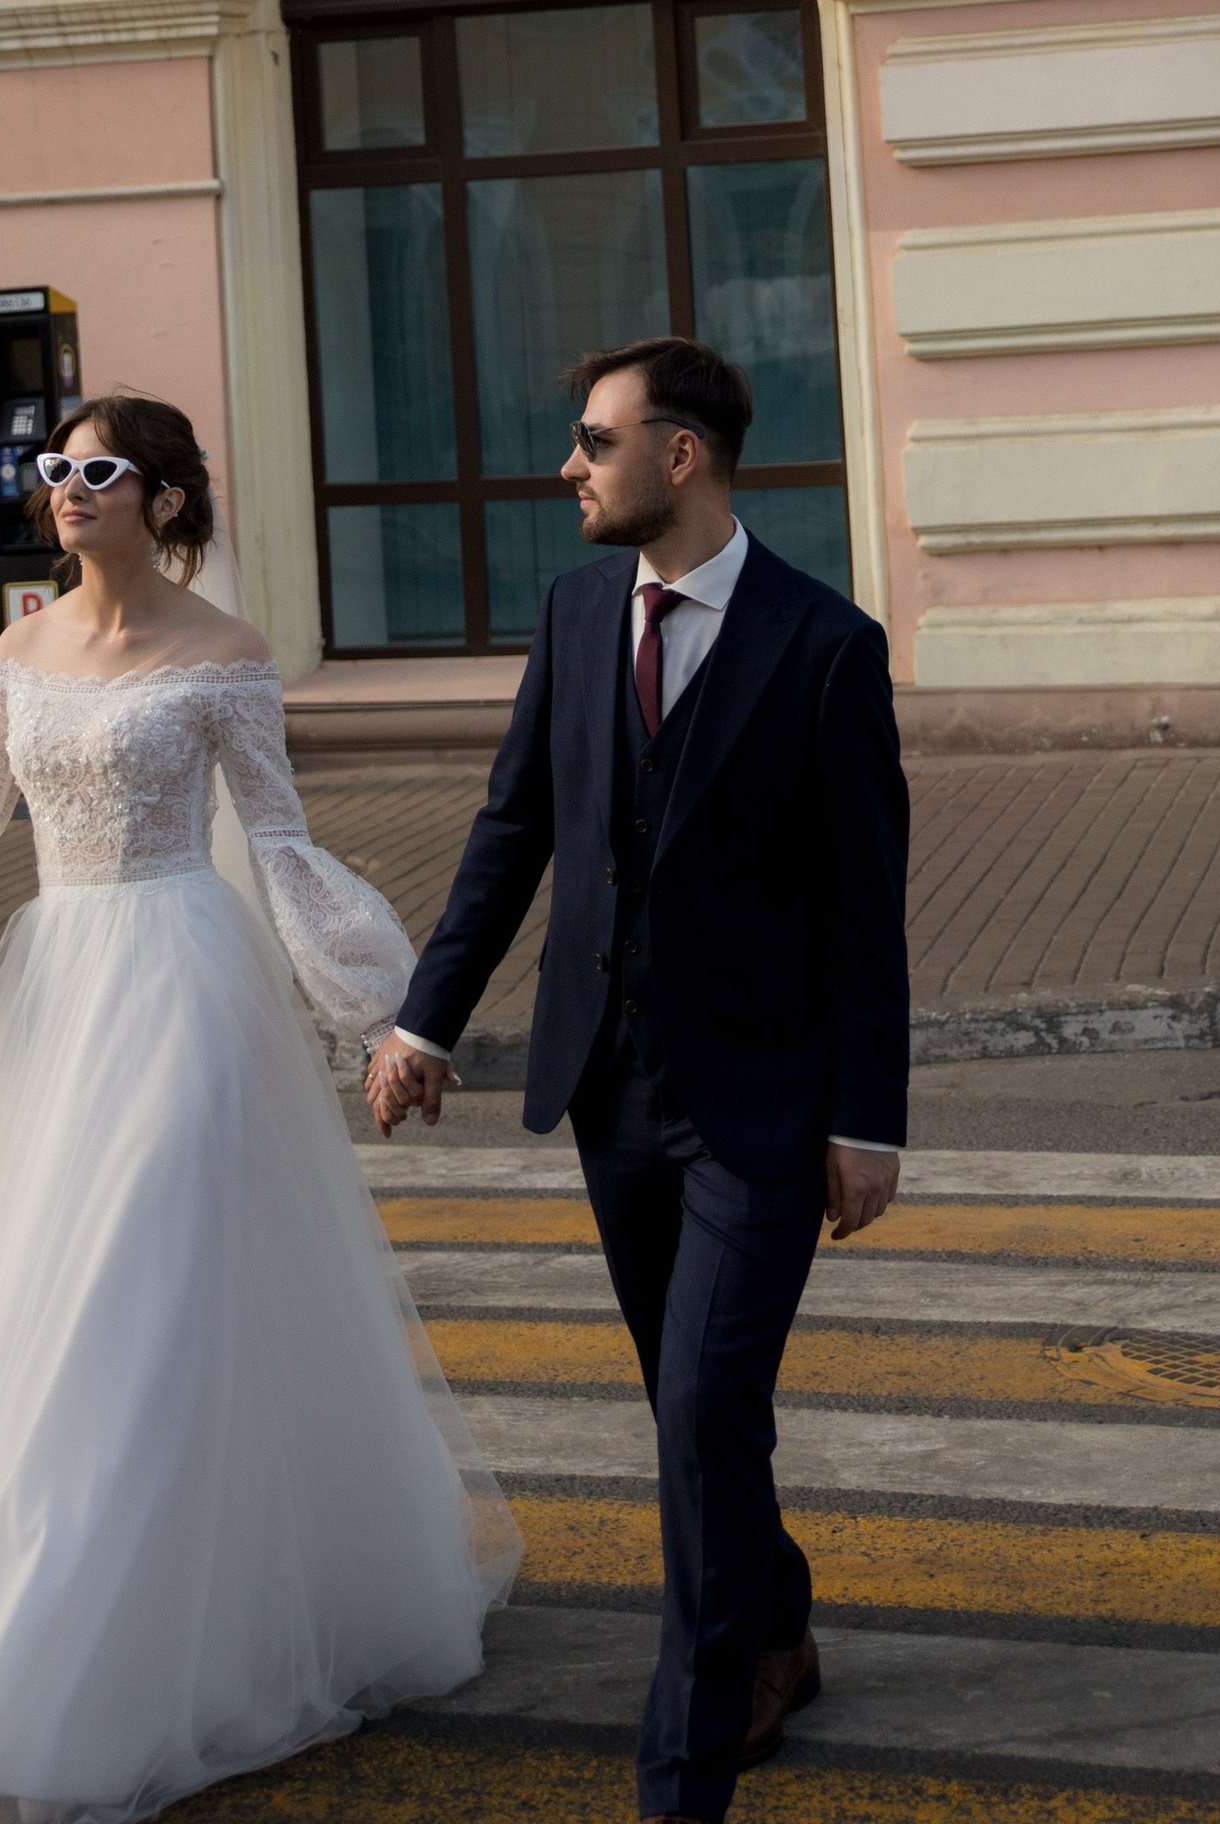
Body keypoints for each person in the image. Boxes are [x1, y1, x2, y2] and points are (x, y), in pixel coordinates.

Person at [0, 390, 518, 1823]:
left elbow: (282, 846)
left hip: (184, 992)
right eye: (57, 467)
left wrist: (382, 1018)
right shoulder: (19, 651)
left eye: (99, 468)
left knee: (142, 1298)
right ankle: (40, 1631)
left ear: (164, 500)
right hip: (52, 1001)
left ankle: (105, 1656)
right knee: (36, 1310)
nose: (68, 486)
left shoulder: (228, 661)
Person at [366, 335, 910, 1824]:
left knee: (705, 1405)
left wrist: (871, 1120)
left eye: (592, 442)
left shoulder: (824, 646)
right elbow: (511, 834)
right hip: (611, 1087)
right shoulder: (576, 610)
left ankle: (682, 1770)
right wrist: (424, 1022)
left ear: (680, 456)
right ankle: (780, 1619)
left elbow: (868, 909)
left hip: (769, 1107)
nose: (568, 467)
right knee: (699, 1415)